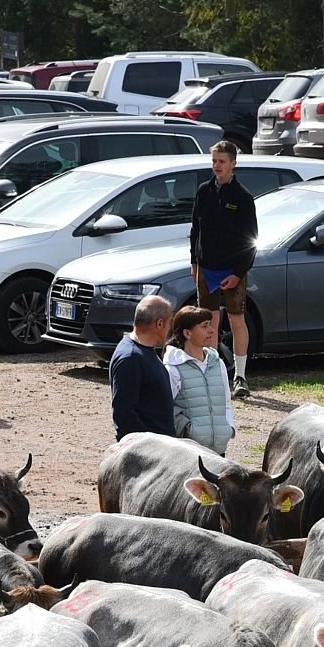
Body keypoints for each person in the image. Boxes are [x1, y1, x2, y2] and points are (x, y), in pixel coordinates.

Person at [189, 140, 257, 400]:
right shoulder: (203, 191)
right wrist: (195, 262)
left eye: (222, 161)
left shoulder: (242, 197)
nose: (217, 166)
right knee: (209, 322)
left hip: (233, 269)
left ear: (233, 164)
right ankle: (212, 374)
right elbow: (195, 229)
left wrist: (238, 273)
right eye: (214, 161)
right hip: (206, 267)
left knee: (237, 320)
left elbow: (252, 240)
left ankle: (240, 376)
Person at [164, 305, 234, 453]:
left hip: (218, 451)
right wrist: (186, 430)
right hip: (189, 453)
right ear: (187, 333)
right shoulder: (173, 368)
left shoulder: (217, 363)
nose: (211, 330)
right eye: (204, 326)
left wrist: (228, 428)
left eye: (210, 324)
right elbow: (165, 408)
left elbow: (226, 402)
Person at [109, 295, 175, 439]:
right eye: (170, 322)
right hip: (149, 449)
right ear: (159, 324)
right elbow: (123, 413)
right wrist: (150, 443)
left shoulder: (144, 349)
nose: (170, 328)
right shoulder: (131, 358)